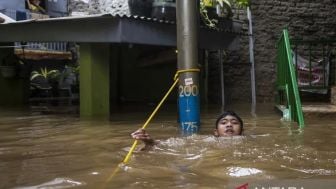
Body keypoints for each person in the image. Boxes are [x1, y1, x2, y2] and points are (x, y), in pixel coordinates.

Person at [131, 110, 244, 150]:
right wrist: (152, 142)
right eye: (224, 123)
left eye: (234, 123)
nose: (229, 125)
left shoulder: (249, 140)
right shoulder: (208, 140)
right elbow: (177, 143)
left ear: (242, 131)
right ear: (215, 132)